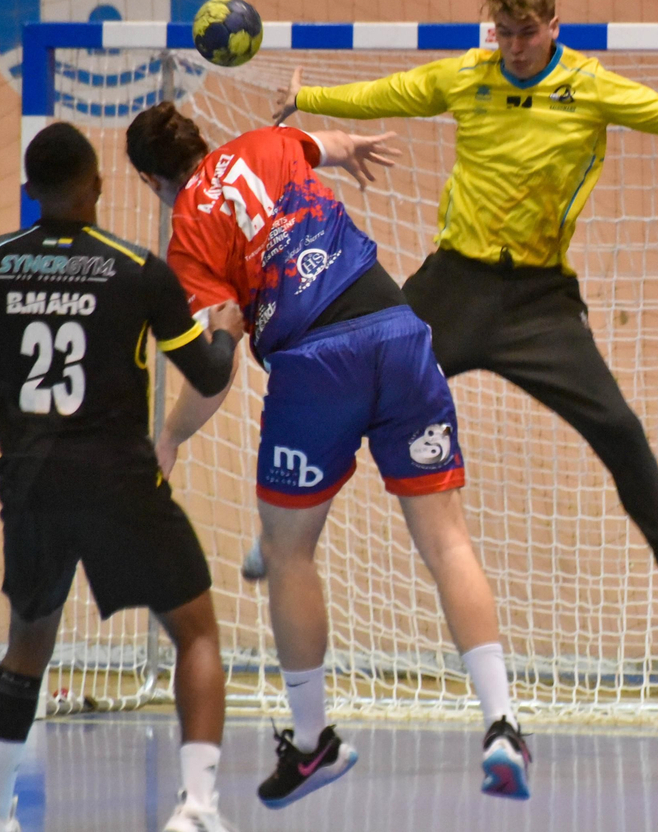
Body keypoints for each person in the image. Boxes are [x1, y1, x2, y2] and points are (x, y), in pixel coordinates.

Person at [270, 0, 658, 623]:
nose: (515, 47)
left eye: (527, 33)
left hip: (539, 303)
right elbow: (394, 91)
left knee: (617, 426)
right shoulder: (467, 76)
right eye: (504, 33)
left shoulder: (588, 88)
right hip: (455, 285)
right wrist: (310, 96)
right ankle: (281, 534)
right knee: (355, 392)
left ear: (554, 27)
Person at [124, 102, 532, 804]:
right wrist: (347, 148)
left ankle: (314, 744)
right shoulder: (266, 141)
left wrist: (167, 437)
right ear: (204, 138)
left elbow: (214, 374)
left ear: (148, 179)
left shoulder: (189, 229)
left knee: (288, 552)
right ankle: (503, 725)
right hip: (399, 331)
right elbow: (332, 144)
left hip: (316, 365)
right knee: (447, 540)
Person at [0, 122, 246, 832]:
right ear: (97, 186)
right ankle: (199, 809)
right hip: (120, 482)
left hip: (30, 484)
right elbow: (207, 373)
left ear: (30, 194)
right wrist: (230, 328)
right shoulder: (138, 268)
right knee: (197, 633)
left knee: (27, 646)